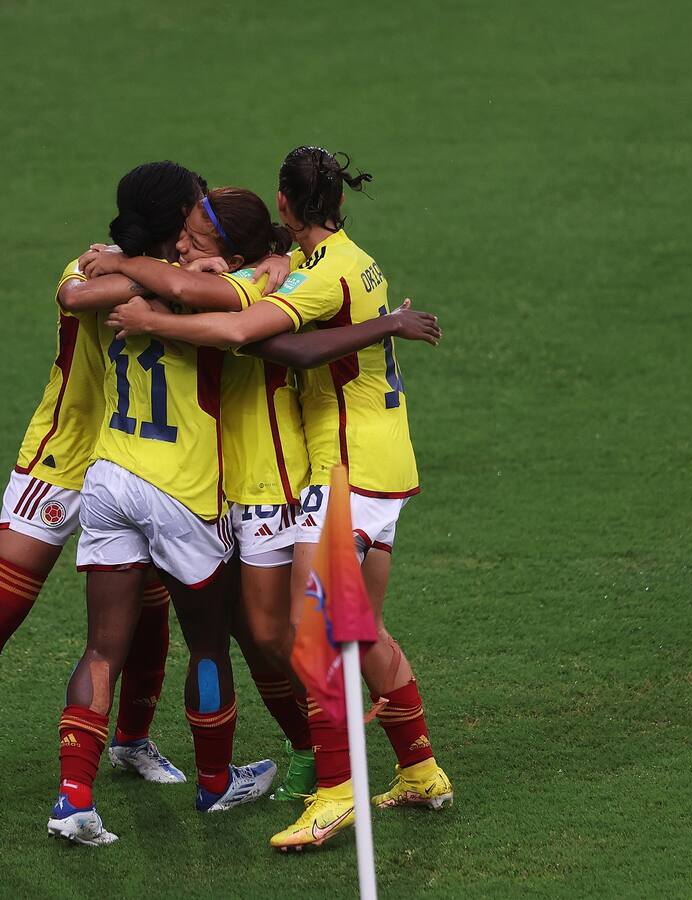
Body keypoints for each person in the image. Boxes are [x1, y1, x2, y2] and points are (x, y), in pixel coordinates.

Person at [105, 146, 451, 851]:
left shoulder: (316, 277)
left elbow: (252, 335)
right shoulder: (347, 260)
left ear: (286, 206)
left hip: (345, 466)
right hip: (373, 458)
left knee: (310, 634)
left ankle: (334, 791)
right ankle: (421, 770)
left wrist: (152, 317)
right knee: (359, 631)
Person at [48, 173, 279, 847]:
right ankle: (215, 784)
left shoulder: (90, 271)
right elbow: (255, 289)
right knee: (208, 642)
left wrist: (132, 268)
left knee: (101, 646)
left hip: (111, 474)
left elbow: (77, 292)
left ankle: (73, 800)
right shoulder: (209, 287)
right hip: (185, 489)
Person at [1, 164, 196, 793]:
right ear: (176, 219)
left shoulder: (151, 273)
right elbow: (89, 295)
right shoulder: (88, 273)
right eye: (196, 209)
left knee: (146, 614)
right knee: (5, 605)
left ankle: (133, 741)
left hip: (129, 464)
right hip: (60, 458)